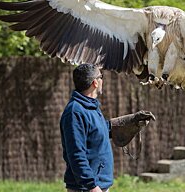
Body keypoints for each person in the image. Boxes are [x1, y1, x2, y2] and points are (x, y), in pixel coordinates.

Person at [60, 64, 155, 192]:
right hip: (86, 188)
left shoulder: (91, 107)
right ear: (95, 83)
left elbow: (102, 129)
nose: (102, 80)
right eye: (101, 77)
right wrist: (92, 186)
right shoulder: (75, 112)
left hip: (98, 185)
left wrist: (132, 121)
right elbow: (76, 155)